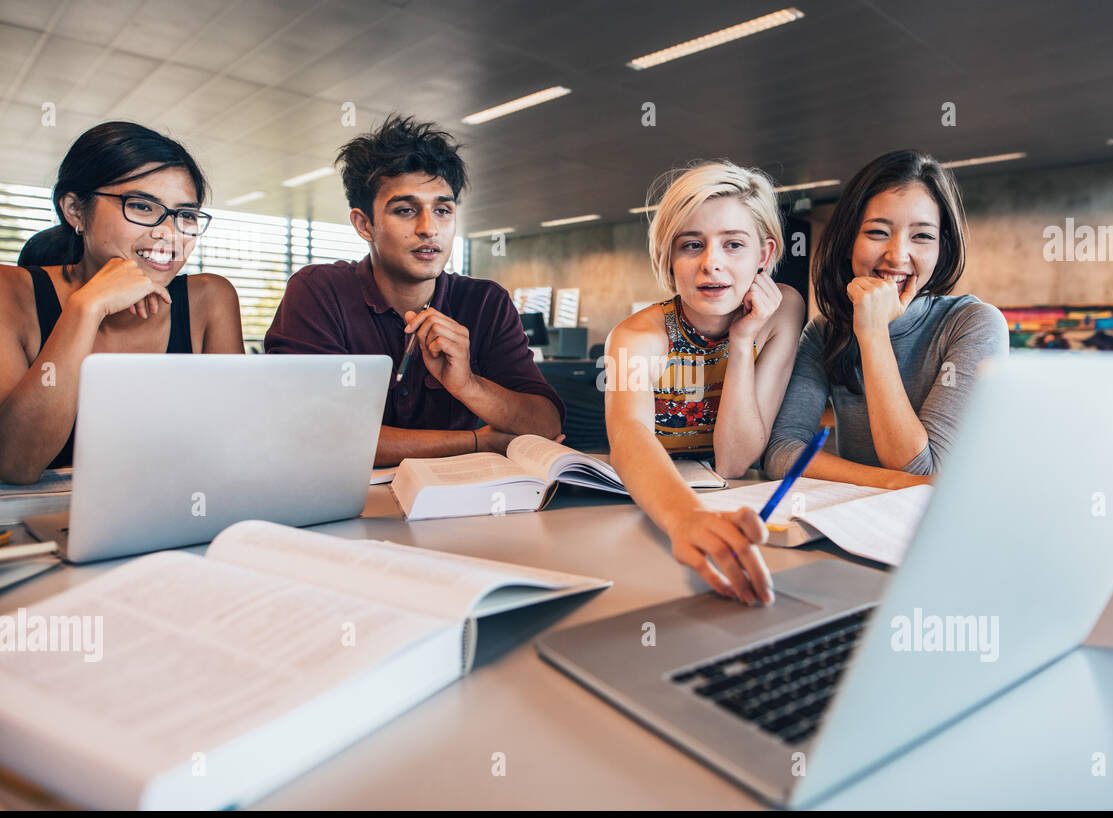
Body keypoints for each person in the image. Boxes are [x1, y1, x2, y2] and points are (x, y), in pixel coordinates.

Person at [264, 114, 564, 466]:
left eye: (443, 210)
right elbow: (314, 435)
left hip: (459, 506)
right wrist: (476, 443)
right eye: (406, 210)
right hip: (348, 504)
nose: (429, 229)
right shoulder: (319, 291)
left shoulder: (485, 302)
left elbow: (546, 424)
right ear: (364, 224)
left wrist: (467, 384)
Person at [604, 161, 805, 605]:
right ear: (668, 258)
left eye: (734, 244)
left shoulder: (782, 311)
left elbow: (734, 460)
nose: (711, 263)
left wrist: (742, 340)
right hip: (650, 508)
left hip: (732, 503)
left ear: (764, 256)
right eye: (692, 245)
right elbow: (628, 434)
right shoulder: (636, 336)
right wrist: (685, 519)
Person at [0, 121, 243, 484]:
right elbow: (16, 464)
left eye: (185, 215)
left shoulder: (210, 300)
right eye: (143, 206)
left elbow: (235, 451)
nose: (168, 232)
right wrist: (87, 307)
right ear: (75, 211)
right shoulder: (11, 291)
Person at [764, 149, 1009, 489]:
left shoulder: (974, 324)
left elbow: (921, 467)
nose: (897, 256)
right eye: (878, 232)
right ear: (849, 241)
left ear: (942, 248)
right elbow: (782, 452)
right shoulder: (823, 332)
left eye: (922, 236)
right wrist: (891, 483)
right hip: (854, 523)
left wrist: (873, 332)